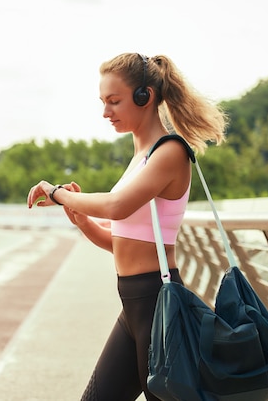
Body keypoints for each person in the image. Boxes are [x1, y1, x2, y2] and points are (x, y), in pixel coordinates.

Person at [26, 53, 228, 401]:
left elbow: (116, 207)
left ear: (144, 96)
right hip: (134, 305)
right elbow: (122, 240)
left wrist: (58, 194)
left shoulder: (170, 152)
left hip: (158, 305)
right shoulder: (139, 157)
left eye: (114, 101)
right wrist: (84, 221)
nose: (106, 112)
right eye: (103, 102)